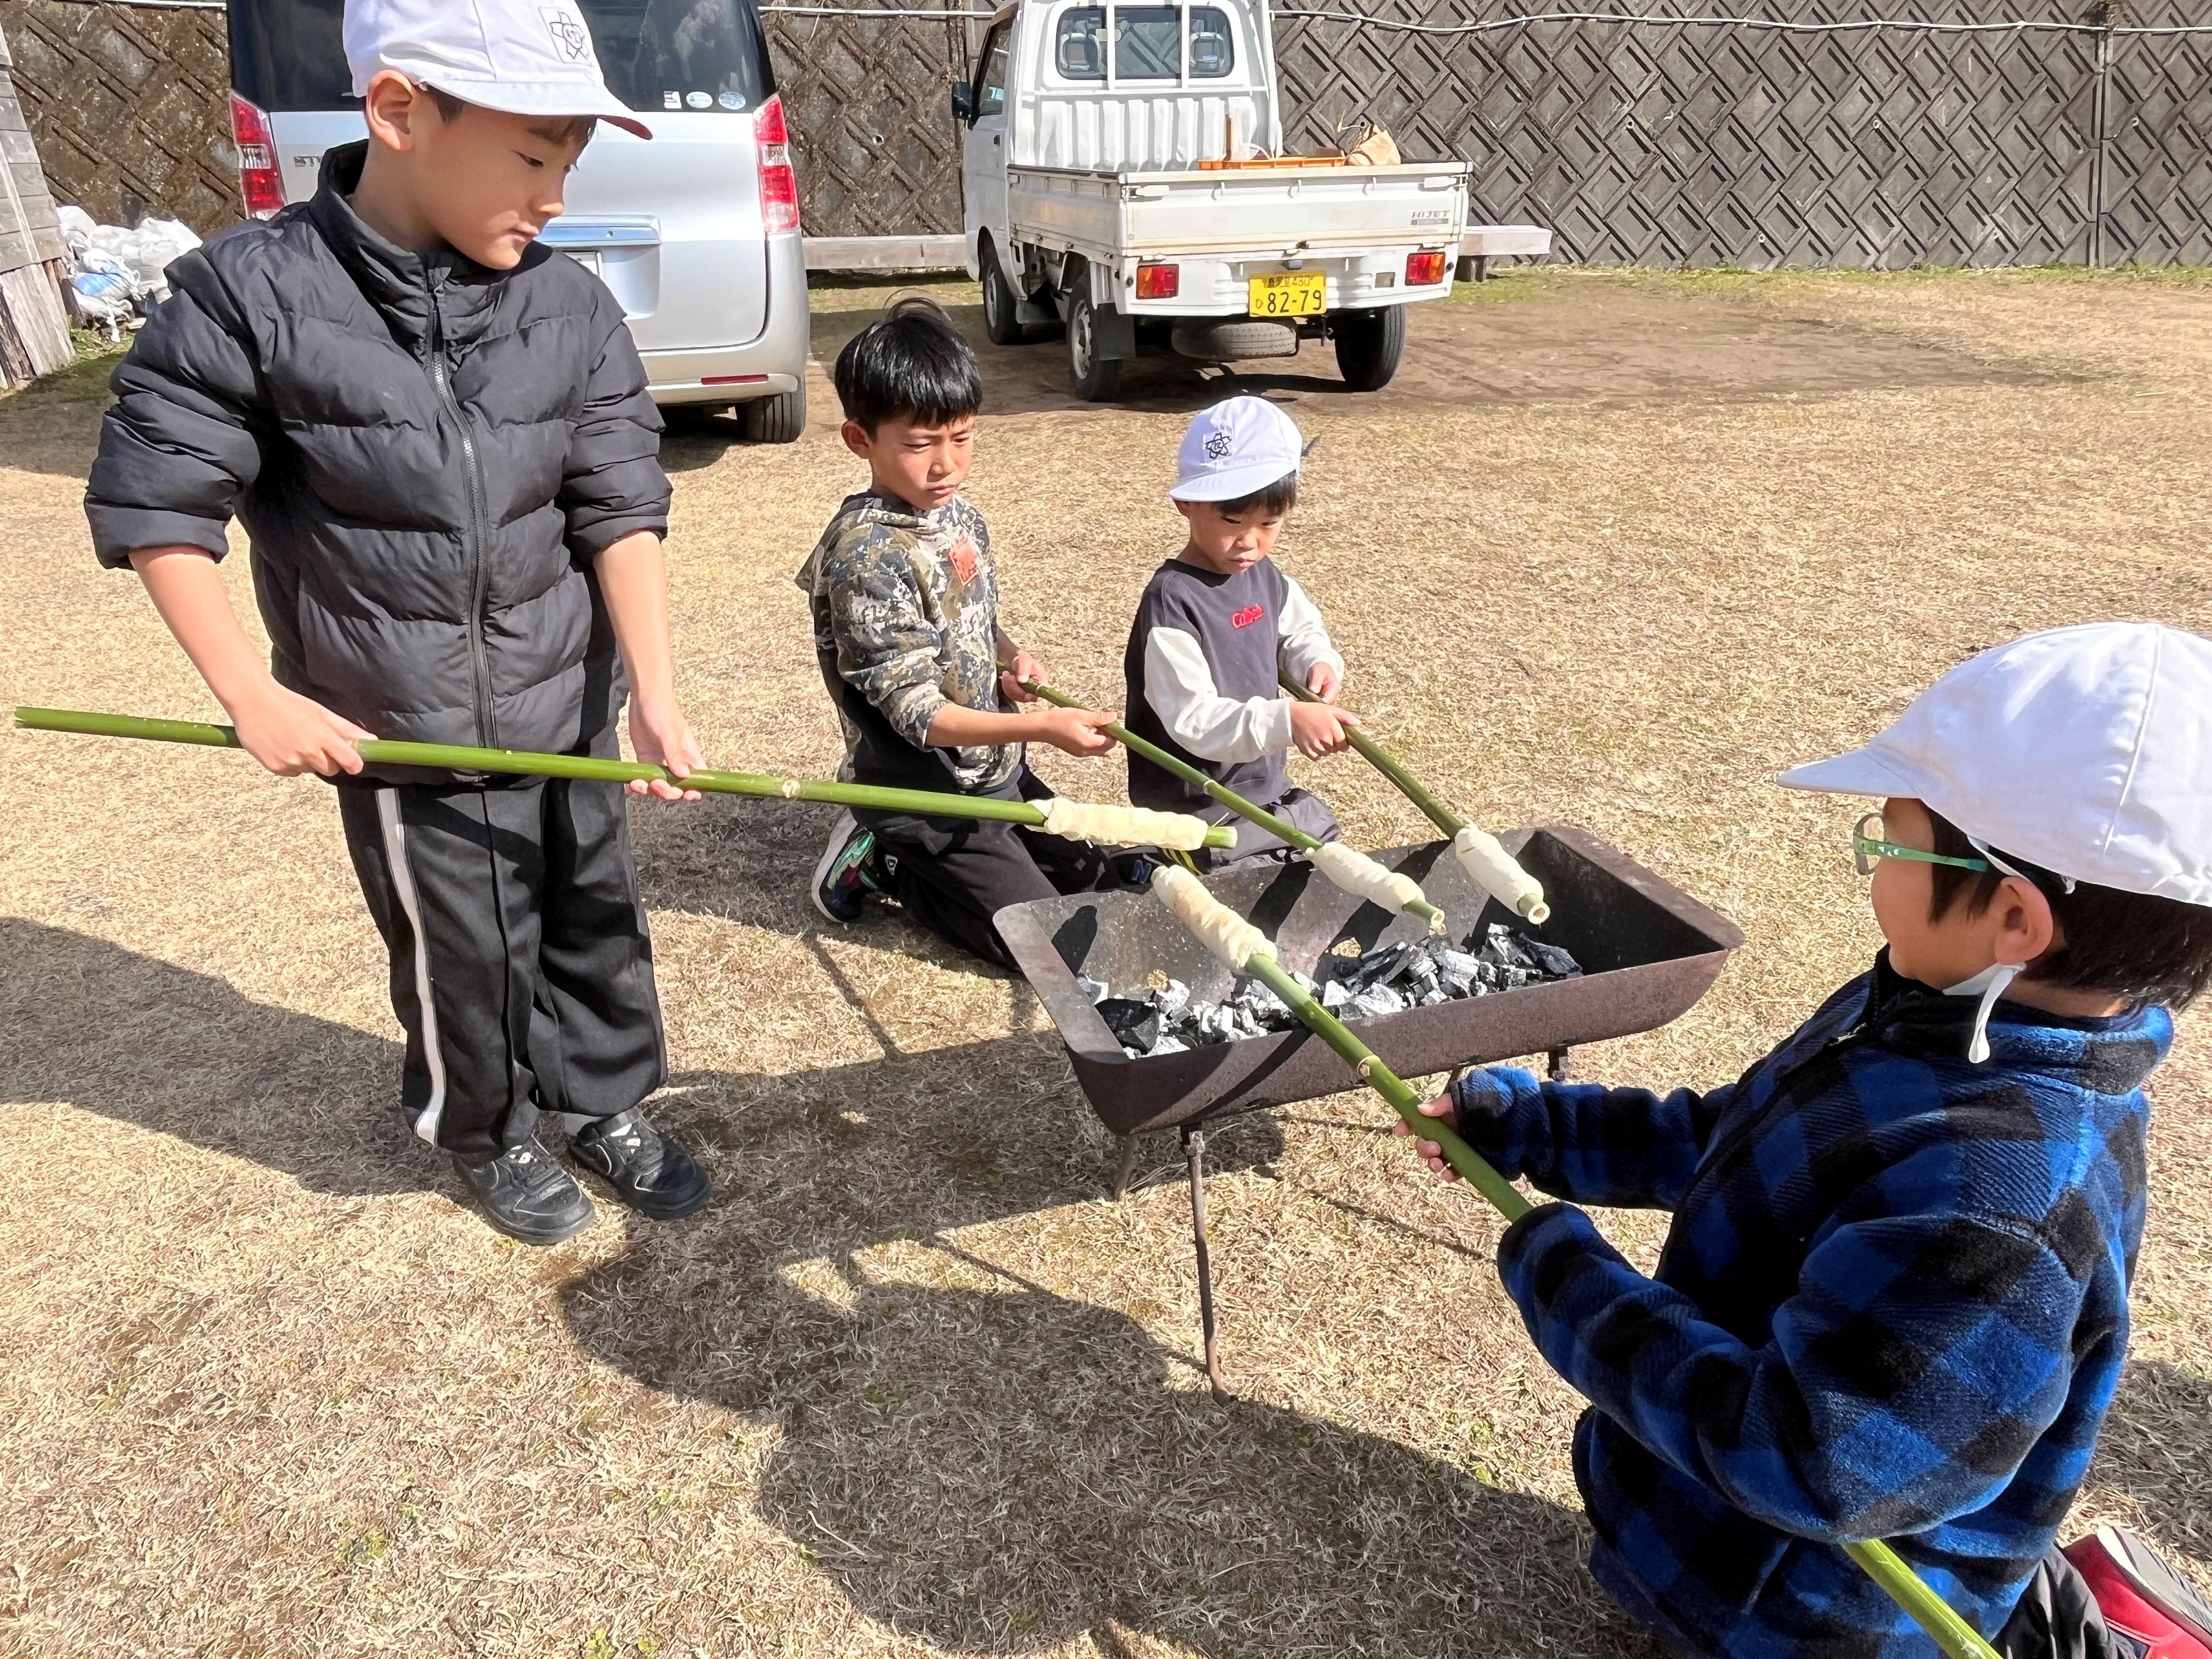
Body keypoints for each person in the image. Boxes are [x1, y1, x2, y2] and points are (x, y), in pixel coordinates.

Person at [1400, 622, 2212, 1659]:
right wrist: (1539, 1127)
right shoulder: (1923, 1005)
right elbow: (1741, 1140)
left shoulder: (2005, 1209)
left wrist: (1567, 1279)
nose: (1872, 868)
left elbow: (1802, 1454)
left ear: (2014, 919)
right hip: (1708, 1533)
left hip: (1793, 1619)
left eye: (1891, 844)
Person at [82, 0, 713, 1246]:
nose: (553, 196)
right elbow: (161, 500)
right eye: (532, 155)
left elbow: (618, 500)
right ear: (398, 111)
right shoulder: (246, 295)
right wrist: (250, 694)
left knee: (593, 914)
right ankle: (482, 1128)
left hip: (564, 699)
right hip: (401, 729)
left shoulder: (570, 306)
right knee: (462, 949)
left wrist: (652, 688)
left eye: (570, 162)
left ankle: (602, 1100)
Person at [800, 296, 1126, 969]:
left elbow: (973, 619)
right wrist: (1044, 729)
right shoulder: (867, 557)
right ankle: (887, 857)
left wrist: (1010, 659)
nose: (946, 463)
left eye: (963, 436)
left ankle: (945, 856)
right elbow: (920, 717)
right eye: (921, 444)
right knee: (1058, 954)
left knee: (1101, 885)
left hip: (993, 773)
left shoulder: (961, 519)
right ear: (860, 440)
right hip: (925, 792)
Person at [1120, 396, 1358, 868]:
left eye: (1269, 523)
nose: (1250, 541)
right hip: (1196, 808)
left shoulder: (1265, 577)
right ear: (1186, 503)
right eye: (1232, 521)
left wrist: (1317, 661)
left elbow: (1299, 629)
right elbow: (1195, 721)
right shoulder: (1173, 601)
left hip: (1263, 790)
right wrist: (1288, 720)